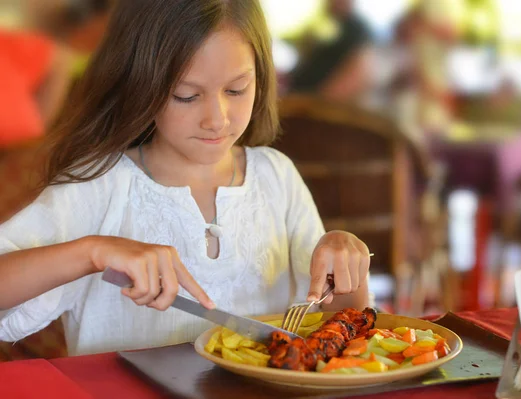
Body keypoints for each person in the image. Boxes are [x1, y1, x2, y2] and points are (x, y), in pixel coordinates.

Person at [0, 0, 371, 356]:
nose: (217, 118)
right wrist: (92, 251)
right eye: (186, 95)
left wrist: (345, 258)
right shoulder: (99, 184)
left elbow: (339, 325)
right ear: (140, 83)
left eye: (236, 90)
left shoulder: (276, 177)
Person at [287, 0, 374, 101]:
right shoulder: (326, 22)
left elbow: (357, 74)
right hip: (297, 97)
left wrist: (315, 103)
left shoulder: (359, 31)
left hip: (312, 106)